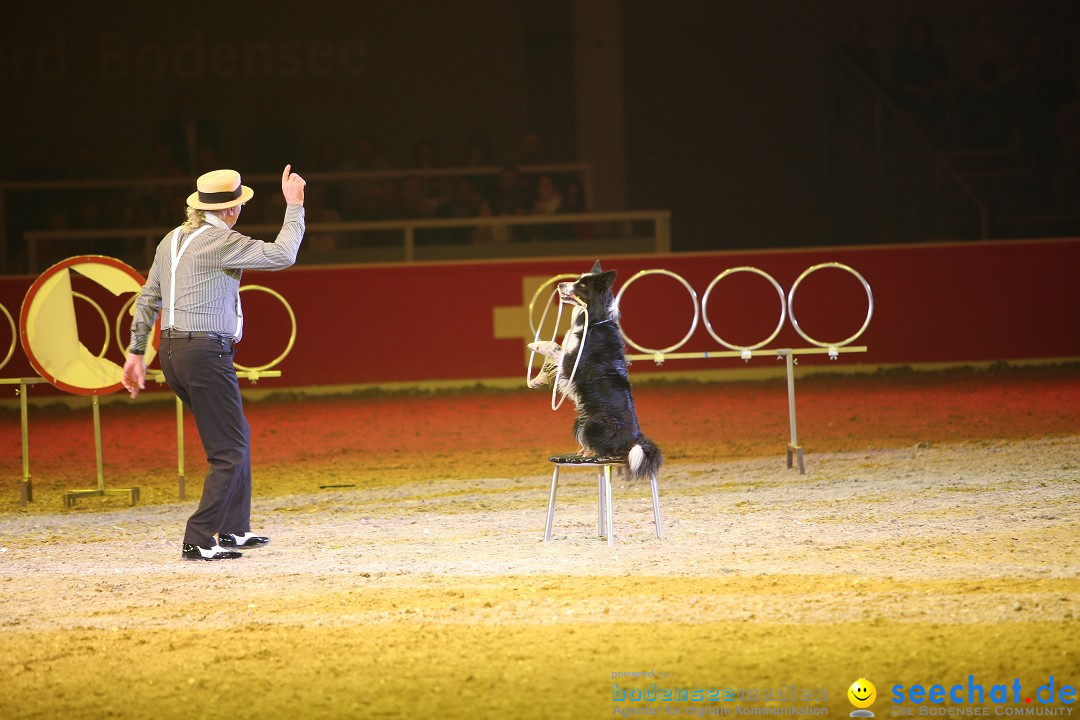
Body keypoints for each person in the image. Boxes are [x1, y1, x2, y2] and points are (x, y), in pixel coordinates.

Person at [121, 165, 307, 561]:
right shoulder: (222, 242)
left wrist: (136, 352)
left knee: (235, 436)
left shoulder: (171, 240)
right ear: (231, 210)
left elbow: (147, 297)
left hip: (173, 353)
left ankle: (233, 529)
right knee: (230, 450)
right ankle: (201, 536)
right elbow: (283, 254)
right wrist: (295, 207)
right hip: (204, 353)